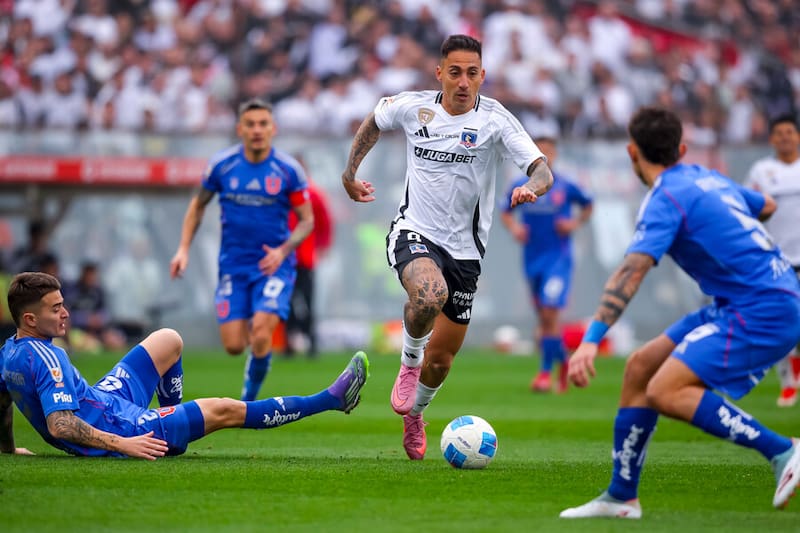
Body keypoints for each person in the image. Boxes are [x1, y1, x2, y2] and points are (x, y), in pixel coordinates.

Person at [560, 107, 800, 519]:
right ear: (682, 149)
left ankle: (784, 451)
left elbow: (631, 273)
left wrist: (590, 341)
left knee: (665, 390)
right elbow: (765, 206)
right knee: (639, 367)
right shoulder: (706, 178)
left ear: (632, 152)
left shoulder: (665, 198)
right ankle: (622, 497)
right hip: (744, 300)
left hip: (761, 308)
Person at [341, 34, 553, 460]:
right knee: (428, 294)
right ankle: (408, 360)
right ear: (439, 72)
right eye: (454, 71)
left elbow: (542, 168)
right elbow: (375, 119)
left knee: (442, 363)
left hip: (466, 254)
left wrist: (532, 187)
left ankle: (415, 414)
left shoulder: (495, 119)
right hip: (413, 232)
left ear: (482, 76)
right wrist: (350, 172)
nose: (462, 81)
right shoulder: (414, 107)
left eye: (471, 73)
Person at [0, 272, 369, 459]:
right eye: (55, 308)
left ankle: (170, 417)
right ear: (30, 319)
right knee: (224, 409)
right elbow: (60, 424)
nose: (65, 313)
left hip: (104, 402)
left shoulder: (9, 351)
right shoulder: (50, 355)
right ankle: (331, 399)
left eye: (63, 303)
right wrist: (125, 444)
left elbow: (2, 403)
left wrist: (8, 449)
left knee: (168, 339)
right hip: (123, 429)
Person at [170, 98, 314, 401]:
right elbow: (198, 206)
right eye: (250, 124)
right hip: (233, 266)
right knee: (234, 345)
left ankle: (250, 394)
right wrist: (183, 249)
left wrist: (283, 250)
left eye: (263, 124)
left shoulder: (289, 170)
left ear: (273, 128)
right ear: (240, 129)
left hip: (272, 265)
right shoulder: (222, 165)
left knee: (261, 333)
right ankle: (254, 356)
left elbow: (306, 220)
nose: (257, 130)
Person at [499, 136, 593, 393]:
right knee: (544, 317)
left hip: (558, 259)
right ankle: (563, 364)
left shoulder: (565, 185)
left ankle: (544, 375)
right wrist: (515, 228)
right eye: (540, 150)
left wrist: (574, 224)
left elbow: (588, 204)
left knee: (550, 313)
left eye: (549, 151)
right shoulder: (521, 185)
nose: (544, 155)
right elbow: (504, 210)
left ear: (554, 155)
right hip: (532, 258)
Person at [745, 114, 800, 407]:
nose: (785, 137)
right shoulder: (762, 170)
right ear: (771, 139)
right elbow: (746, 208)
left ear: (798, 136)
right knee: (782, 323)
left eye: (790, 132)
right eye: (779, 133)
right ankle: (788, 383)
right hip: (777, 261)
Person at [285, 157, 334, 358]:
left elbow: (324, 222)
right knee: (285, 302)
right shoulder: (282, 193)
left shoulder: (313, 194)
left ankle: (310, 340)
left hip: (304, 257)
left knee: (307, 300)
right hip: (284, 258)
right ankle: (290, 341)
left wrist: (322, 246)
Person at [61, 261, 127, 353]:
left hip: (98, 331)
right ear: (83, 275)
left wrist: (99, 319)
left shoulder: (98, 291)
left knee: (117, 340)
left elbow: (105, 312)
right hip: (76, 331)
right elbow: (66, 314)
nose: (92, 278)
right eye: (90, 275)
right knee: (92, 347)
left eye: (94, 275)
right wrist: (86, 319)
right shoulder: (72, 292)